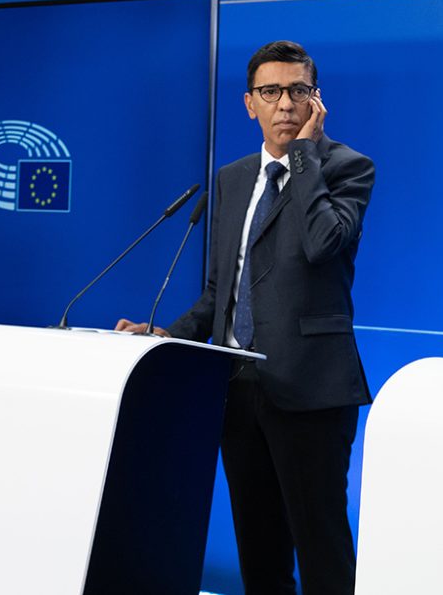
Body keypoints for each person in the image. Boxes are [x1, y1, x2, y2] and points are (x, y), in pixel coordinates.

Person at [117, 40, 374, 595]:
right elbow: (220, 293)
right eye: (271, 91)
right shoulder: (232, 180)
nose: (285, 104)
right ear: (249, 103)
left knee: (323, 552)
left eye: (298, 91)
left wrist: (302, 158)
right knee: (260, 555)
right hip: (238, 391)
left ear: (315, 102)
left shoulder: (348, 167)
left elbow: (324, 242)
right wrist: (163, 336)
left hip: (310, 391)